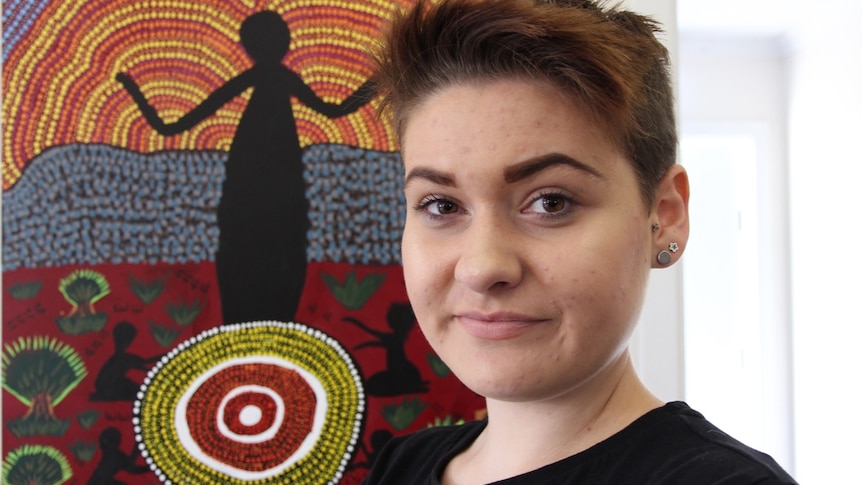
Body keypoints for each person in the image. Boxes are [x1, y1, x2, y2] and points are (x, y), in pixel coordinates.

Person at [364, 0, 798, 483]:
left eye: (551, 202)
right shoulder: (399, 466)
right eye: (441, 206)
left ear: (666, 216)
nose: (482, 267)